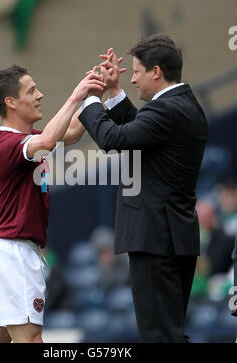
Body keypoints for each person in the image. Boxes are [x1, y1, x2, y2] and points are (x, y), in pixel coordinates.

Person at [78, 34, 208, 343]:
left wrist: (89, 99)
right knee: (169, 333)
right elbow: (143, 135)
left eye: (136, 71)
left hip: (155, 239)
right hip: (174, 237)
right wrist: (113, 92)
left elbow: (114, 139)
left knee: (159, 336)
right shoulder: (183, 106)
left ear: (156, 72)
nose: (132, 79)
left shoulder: (167, 110)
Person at [0, 65, 105, 343]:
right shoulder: (9, 146)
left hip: (7, 253)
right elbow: (49, 139)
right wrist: (76, 96)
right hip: (15, 255)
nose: (40, 95)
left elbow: (70, 132)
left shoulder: (26, 142)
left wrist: (95, 94)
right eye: (31, 90)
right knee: (32, 339)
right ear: (10, 102)